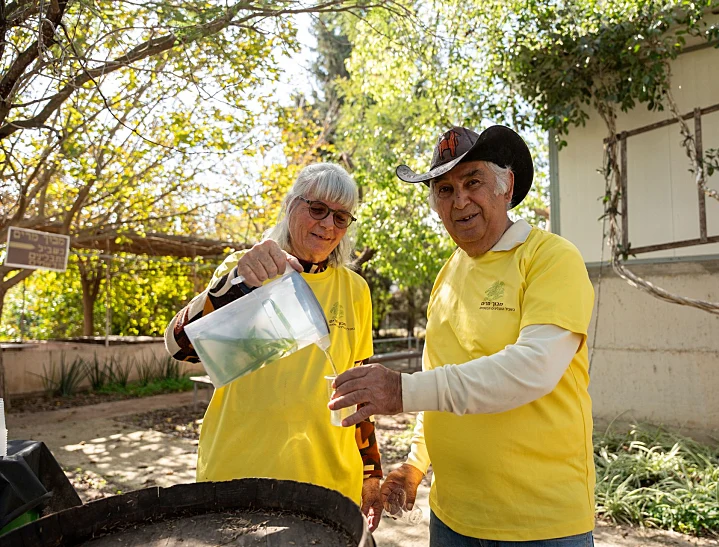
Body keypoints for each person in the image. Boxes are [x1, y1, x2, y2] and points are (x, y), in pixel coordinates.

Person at [329, 126, 595, 545]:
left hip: (540, 524)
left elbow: (533, 369)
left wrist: (401, 391)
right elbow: (439, 376)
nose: (460, 200)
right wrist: (416, 464)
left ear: (506, 185)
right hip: (452, 519)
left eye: (473, 182)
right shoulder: (447, 275)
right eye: (445, 189)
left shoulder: (551, 258)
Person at [165, 162, 384, 531]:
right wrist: (236, 281)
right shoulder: (251, 270)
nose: (328, 225)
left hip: (332, 483)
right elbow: (178, 346)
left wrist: (371, 473)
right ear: (290, 206)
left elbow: (359, 393)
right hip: (240, 478)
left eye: (341, 217)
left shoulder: (356, 289)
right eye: (317, 209)